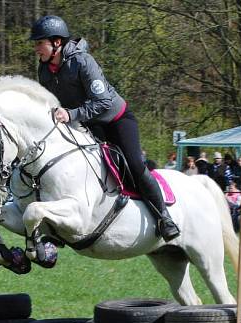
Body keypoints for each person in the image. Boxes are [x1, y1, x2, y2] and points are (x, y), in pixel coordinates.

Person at [30, 15, 179, 241]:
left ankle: (164, 217)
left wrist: (70, 114)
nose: (36, 49)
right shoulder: (44, 71)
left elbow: (103, 102)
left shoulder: (82, 62)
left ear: (56, 43)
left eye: (39, 43)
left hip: (116, 120)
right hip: (88, 125)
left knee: (135, 165)